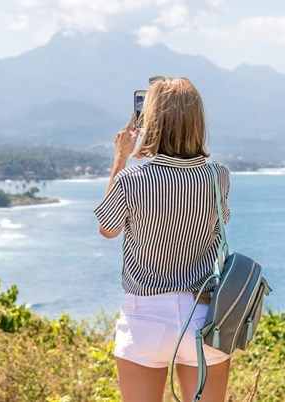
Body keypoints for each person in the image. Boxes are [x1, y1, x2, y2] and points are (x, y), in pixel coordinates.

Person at [94, 77, 231, 402]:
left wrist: (120, 158)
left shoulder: (133, 179)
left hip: (145, 318)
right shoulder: (217, 176)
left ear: (151, 121)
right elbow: (221, 222)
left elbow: (108, 227)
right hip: (203, 316)